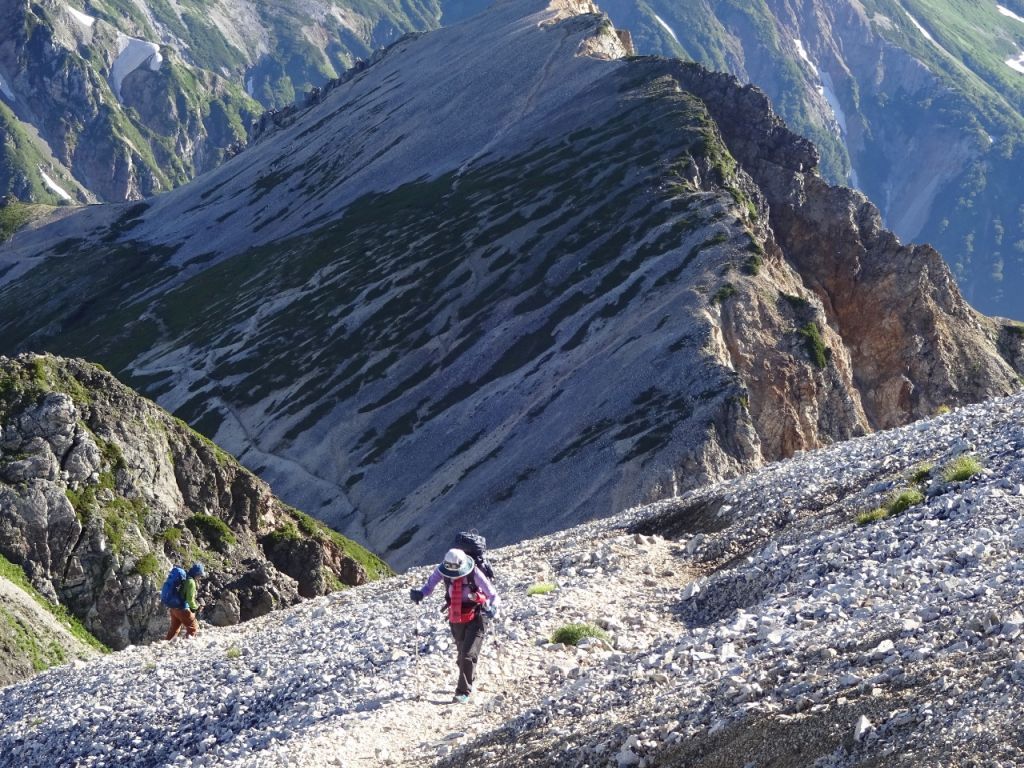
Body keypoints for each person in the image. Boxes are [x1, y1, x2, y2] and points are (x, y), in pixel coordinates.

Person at [410, 548, 499, 703]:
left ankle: (463, 692)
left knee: (467, 654)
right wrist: (420, 594)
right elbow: (429, 586)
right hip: (456, 617)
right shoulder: (442, 571)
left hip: (477, 615)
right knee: (461, 655)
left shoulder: (474, 573)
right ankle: (469, 676)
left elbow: (492, 594)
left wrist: (493, 608)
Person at [165, 563, 204, 641]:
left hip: (174, 609)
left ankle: (166, 645)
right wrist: (196, 608)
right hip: (183, 609)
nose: (200, 577)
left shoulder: (185, 578)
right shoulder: (191, 582)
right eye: (200, 575)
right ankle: (188, 646)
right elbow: (190, 599)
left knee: (174, 629)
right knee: (193, 628)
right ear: (196, 574)